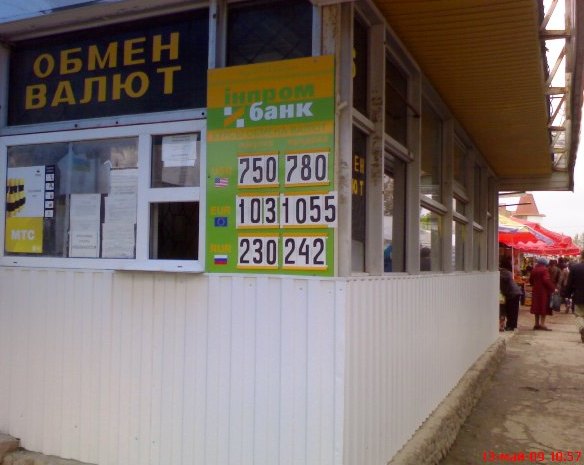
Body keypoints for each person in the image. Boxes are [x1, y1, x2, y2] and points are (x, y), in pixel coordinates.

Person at [529, 257, 556, 331]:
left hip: (535, 291)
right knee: (544, 307)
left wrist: (535, 285)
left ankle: (536, 324)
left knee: (536, 307)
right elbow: (546, 280)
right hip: (544, 292)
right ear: (545, 263)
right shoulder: (544, 270)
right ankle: (542, 324)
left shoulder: (534, 269)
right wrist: (553, 288)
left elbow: (530, 280)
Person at [564, 250, 584, 342]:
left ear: (581, 256)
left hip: (579, 296)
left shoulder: (575, 268)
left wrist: (567, 295)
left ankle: (582, 328)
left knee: (578, 315)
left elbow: (570, 283)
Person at [500, 256, 522, 331]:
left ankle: (511, 326)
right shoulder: (507, 272)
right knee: (513, 310)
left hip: (512, 293)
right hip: (514, 292)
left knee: (510, 310)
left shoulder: (502, 272)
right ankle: (512, 325)